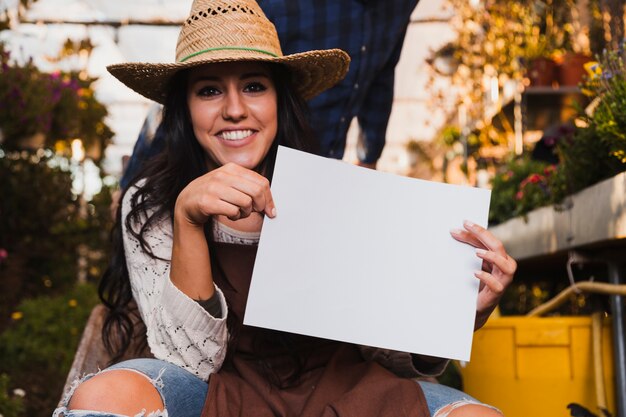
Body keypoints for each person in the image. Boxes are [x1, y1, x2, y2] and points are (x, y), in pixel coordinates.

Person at [54, 1, 516, 416]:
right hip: (219, 392)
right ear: (184, 108)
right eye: (209, 90)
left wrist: (455, 315)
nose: (235, 110)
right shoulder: (150, 202)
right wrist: (188, 218)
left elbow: (384, 353)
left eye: (254, 86)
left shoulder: (338, 194)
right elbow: (190, 363)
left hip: (348, 389)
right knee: (101, 398)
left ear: (280, 101)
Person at [117, 0, 418, 191]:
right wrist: (137, 189)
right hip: (220, 166)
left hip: (317, 170)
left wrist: (369, 161)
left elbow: (383, 72)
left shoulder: (400, 6)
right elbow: (209, 74)